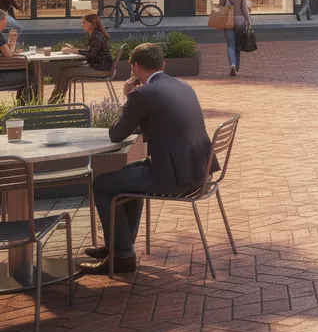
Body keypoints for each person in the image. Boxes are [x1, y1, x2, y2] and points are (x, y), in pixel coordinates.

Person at [78, 43, 216, 275]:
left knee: (101, 184)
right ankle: (120, 245)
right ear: (163, 65)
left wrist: (128, 98)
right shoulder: (182, 85)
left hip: (174, 177)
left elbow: (117, 134)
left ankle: (122, 255)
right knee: (128, 177)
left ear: (135, 67)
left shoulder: (141, 94)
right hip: (199, 171)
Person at [50, 13, 114, 102]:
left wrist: (75, 51)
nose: (82, 25)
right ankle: (57, 99)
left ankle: (55, 101)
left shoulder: (96, 35)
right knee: (64, 69)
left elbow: (92, 53)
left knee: (65, 72)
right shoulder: (95, 34)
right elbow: (92, 51)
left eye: (84, 23)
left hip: (100, 69)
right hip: (98, 66)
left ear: (92, 23)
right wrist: (75, 50)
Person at [218, 0, 252, 77]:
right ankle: (237, 66)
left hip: (228, 21)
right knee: (238, 44)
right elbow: (244, 9)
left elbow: (220, 7)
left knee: (230, 45)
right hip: (240, 21)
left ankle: (232, 65)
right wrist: (249, 21)